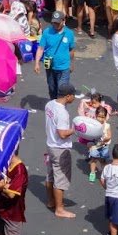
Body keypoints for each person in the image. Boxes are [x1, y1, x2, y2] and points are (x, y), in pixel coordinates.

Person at [44, 82, 78, 219]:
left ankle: (51, 201)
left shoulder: (50, 104)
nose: (74, 98)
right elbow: (63, 133)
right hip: (60, 148)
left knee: (50, 174)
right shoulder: (62, 113)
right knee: (60, 179)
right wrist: (76, 130)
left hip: (50, 145)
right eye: (73, 96)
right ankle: (59, 208)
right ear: (68, 96)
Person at [39, 12, 76, 100]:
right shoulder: (47, 32)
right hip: (49, 65)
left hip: (64, 67)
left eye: (57, 23)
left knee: (62, 89)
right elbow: (40, 48)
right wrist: (37, 62)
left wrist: (72, 63)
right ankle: (53, 104)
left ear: (63, 21)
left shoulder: (69, 33)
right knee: (52, 88)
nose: (55, 25)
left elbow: (71, 50)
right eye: (53, 23)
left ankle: (61, 108)